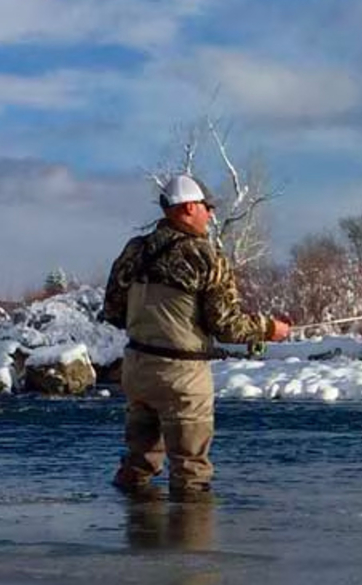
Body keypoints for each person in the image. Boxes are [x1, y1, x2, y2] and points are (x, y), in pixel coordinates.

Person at [102, 173, 290, 502]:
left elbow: (113, 311)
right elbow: (227, 325)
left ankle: (134, 545)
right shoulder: (206, 256)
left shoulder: (135, 250)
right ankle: (190, 551)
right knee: (190, 472)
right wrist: (270, 329)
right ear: (190, 207)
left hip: (136, 370)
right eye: (208, 207)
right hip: (182, 376)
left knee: (138, 466)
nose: (211, 214)